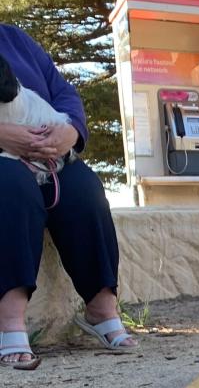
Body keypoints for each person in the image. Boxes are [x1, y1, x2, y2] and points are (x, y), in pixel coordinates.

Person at [0, 23, 136, 370]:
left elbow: (63, 93)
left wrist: (70, 131)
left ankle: (101, 307)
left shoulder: (15, 38)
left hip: (50, 153)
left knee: (85, 190)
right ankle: (10, 319)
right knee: (11, 185)